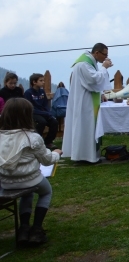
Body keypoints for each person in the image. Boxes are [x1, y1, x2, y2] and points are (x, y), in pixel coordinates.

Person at [0, 98, 61, 244]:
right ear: (28, 115)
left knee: (27, 194)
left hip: (6, 182)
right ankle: (37, 229)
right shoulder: (32, 137)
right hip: (30, 178)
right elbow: (46, 160)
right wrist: (57, 154)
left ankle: (24, 229)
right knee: (46, 192)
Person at [62, 43, 112, 164]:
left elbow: (93, 84)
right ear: (96, 53)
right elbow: (93, 79)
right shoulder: (84, 64)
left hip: (88, 99)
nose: (105, 58)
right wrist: (104, 67)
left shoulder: (89, 62)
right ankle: (84, 156)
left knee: (88, 128)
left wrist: (101, 94)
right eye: (104, 55)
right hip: (84, 102)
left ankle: (89, 155)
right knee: (85, 127)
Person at [23, 74, 59, 150]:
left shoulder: (42, 92)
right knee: (42, 122)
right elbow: (30, 108)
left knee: (54, 122)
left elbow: (45, 104)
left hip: (44, 113)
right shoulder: (28, 93)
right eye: (41, 80)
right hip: (34, 113)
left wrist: (48, 112)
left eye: (43, 80)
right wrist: (45, 113)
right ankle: (37, 141)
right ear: (34, 82)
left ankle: (48, 142)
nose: (43, 82)